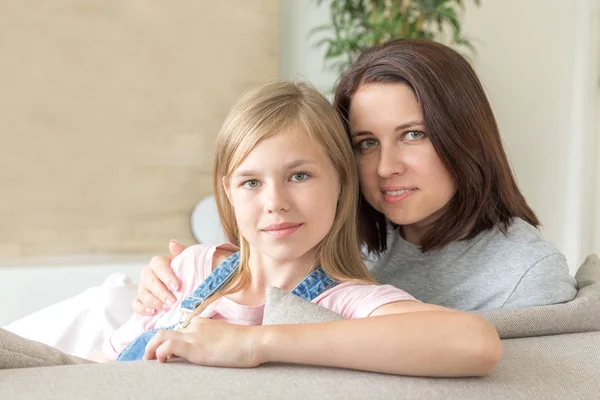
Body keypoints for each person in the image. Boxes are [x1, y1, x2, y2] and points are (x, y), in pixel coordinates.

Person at [136, 39, 577, 314]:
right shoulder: (352, 234)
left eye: (413, 135)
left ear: (464, 135)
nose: (386, 167)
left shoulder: (525, 274)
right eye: (366, 142)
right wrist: (182, 278)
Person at [93, 81, 500, 377]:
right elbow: (96, 373)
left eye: (300, 176)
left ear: (341, 181)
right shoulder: (190, 270)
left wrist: (253, 343)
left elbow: (474, 343)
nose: (275, 202)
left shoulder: (348, 301)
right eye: (251, 183)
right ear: (228, 193)